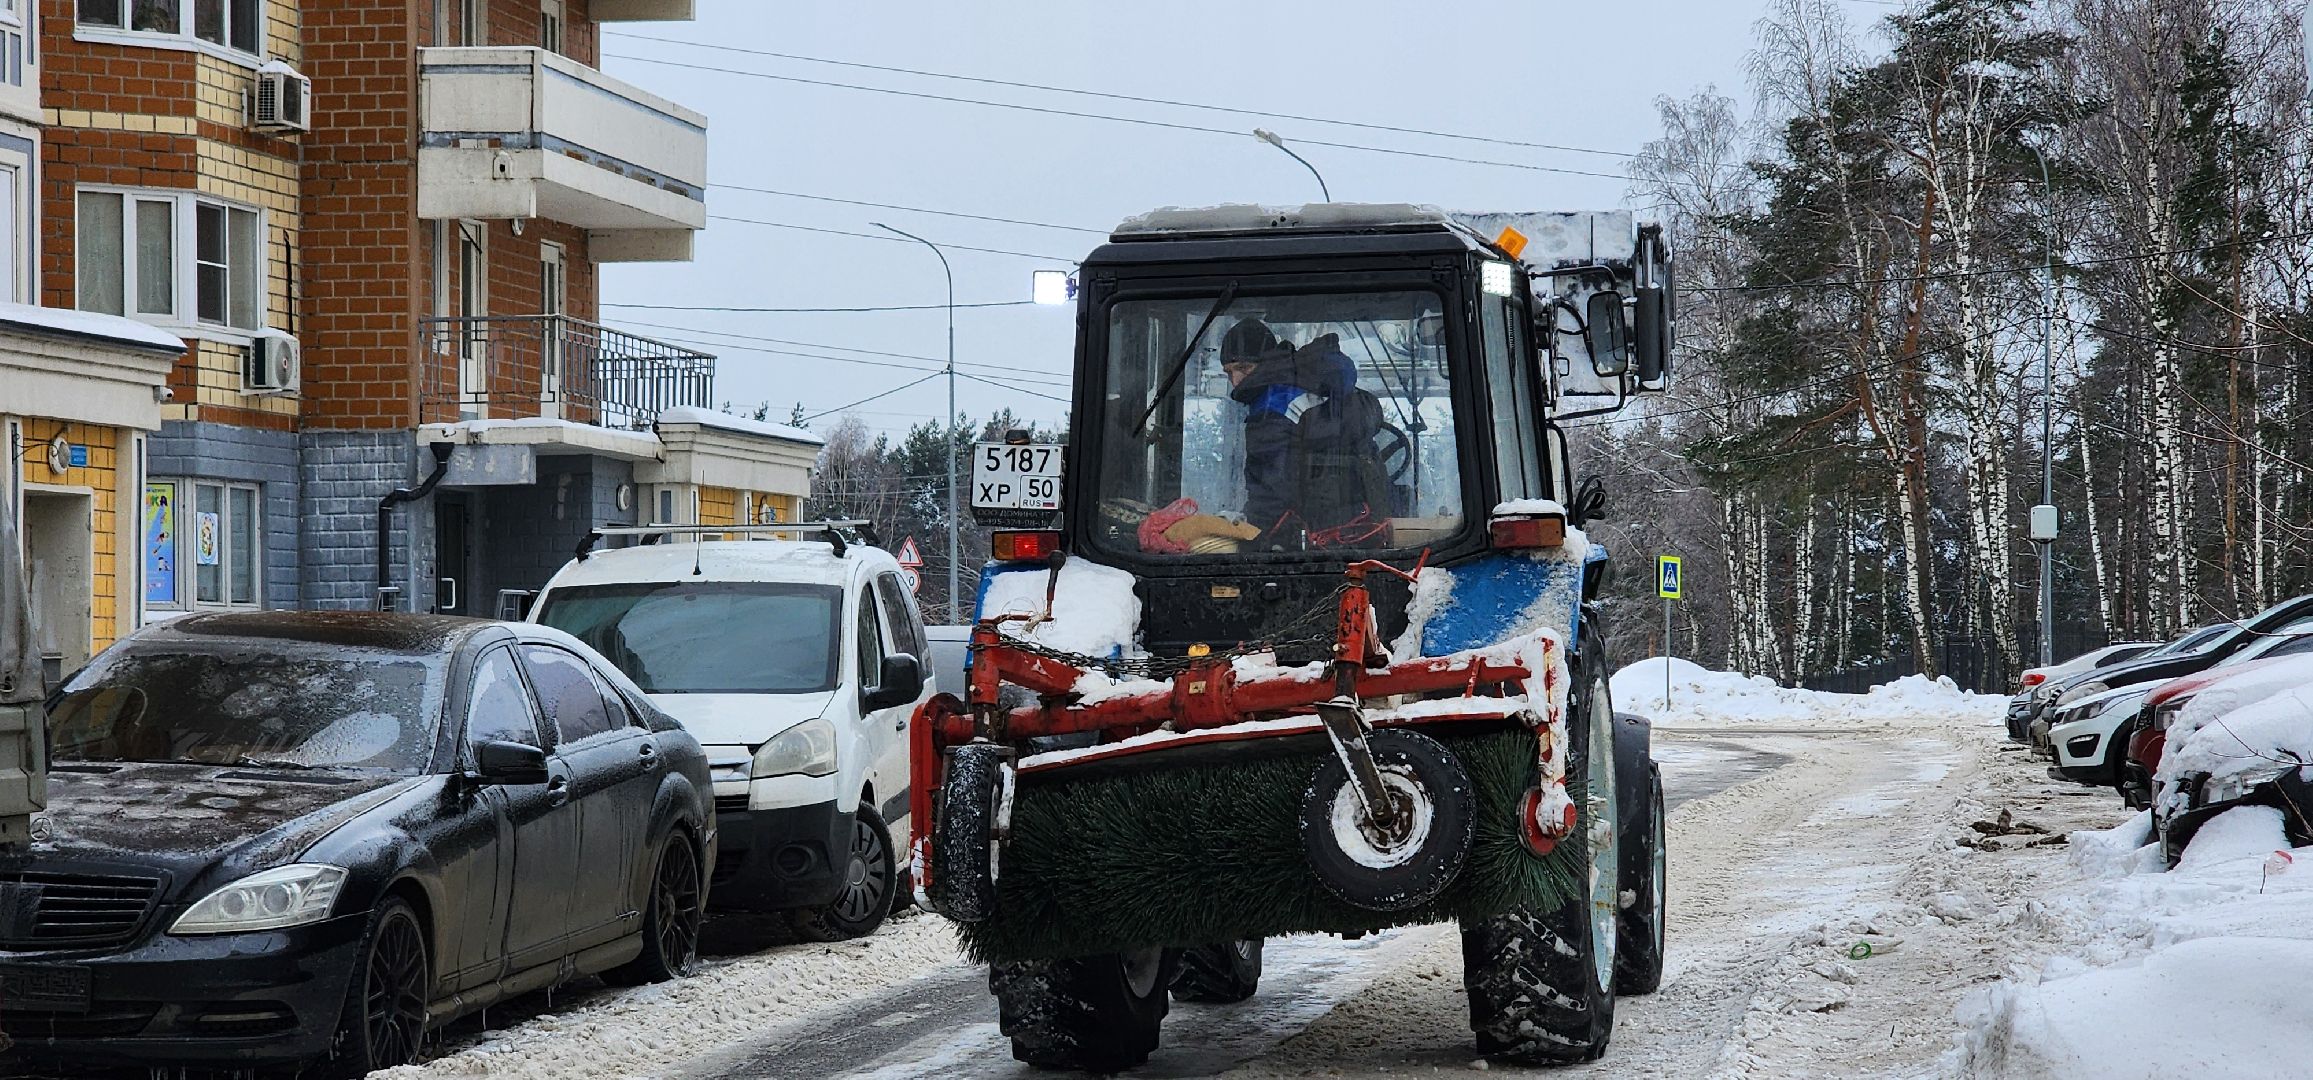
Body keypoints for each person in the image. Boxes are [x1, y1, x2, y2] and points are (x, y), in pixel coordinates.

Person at [1219, 318, 1391, 544]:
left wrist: (1251, 544)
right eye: (1228, 372)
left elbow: (1269, 492)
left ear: (1266, 362)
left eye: (1244, 368)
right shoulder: (1317, 386)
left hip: (1310, 537)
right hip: (1360, 527)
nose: (1236, 380)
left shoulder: (1272, 406)